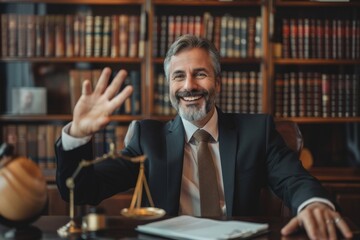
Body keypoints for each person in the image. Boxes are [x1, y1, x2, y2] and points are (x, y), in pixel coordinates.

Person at [56, 34, 353, 239]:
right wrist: (77, 136)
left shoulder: (256, 132)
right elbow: (81, 191)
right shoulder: (148, 138)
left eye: (200, 74)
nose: (189, 86)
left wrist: (313, 203)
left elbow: (293, 179)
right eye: (179, 76)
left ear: (218, 83)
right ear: (169, 87)